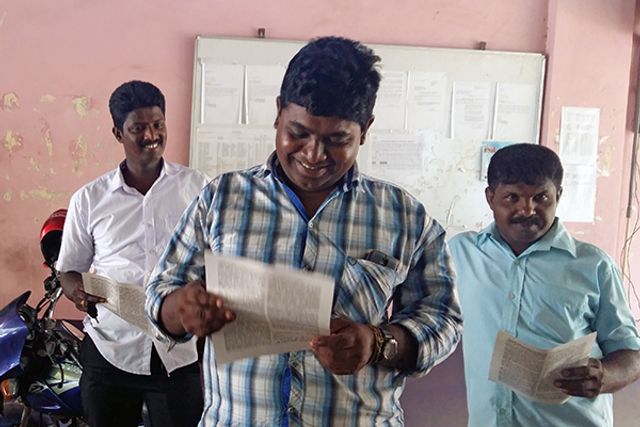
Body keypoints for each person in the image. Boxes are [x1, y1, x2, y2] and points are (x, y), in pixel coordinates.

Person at [145, 36, 463, 426]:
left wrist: (377, 343)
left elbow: (442, 318)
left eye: (336, 140)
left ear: (365, 130)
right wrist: (180, 308)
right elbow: (160, 292)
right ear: (278, 113)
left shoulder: (405, 216)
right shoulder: (220, 199)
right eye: (298, 133)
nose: (313, 155)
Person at [449, 143, 640, 427]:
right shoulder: (460, 253)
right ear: (490, 197)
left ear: (558, 195)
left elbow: (631, 355)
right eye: (512, 197)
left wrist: (604, 376)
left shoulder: (593, 265)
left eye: (541, 197)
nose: (527, 210)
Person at [57, 80, 209, 427]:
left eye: (157, 124)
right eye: (138, 128)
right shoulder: (90, 199)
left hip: (178, 352)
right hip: (110, 350)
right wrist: (77, 292)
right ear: (118, 133)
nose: (150, 135)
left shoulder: (197, 188)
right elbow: (69, 271)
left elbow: (214, 258)